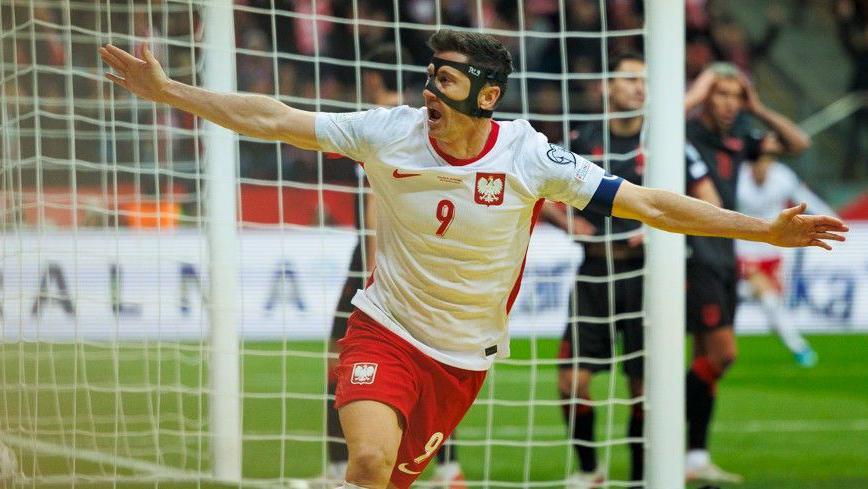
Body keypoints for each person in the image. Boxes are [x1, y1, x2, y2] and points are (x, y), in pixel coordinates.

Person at [99, 30, 847, 489]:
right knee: (363, 465)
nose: (428, 90)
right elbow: (275, 119)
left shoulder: (529, 154)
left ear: (486, 95)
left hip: (462, 357)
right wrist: (173, 93)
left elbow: (652, 203)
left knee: (388, 479)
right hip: (383, 326)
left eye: (445, 80)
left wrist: (761, 229)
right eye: (429, 77)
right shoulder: (388, 129)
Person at [321, 45, 466, 488]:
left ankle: (336, 468)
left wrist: (372, 269)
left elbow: (373, 203)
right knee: (437, 359)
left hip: (382, 253)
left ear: (368, 79)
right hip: (426, 247)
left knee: (342, 361)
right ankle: (447, 467)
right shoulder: (424, 121)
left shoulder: (382, 125)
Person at [682, 62, 813, 484]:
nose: (728, 104)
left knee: (706, 359)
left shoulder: (740, 138)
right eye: (720, 94)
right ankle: (670, 436)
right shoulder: (684, 133)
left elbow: (798, 142)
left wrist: (758, 107)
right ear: (705, 97)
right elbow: (657, 125)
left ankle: (694, 455)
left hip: (724, 255)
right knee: (723, 355)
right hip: (693, 253)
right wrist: (698, 90)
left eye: (735, 96)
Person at [547, 52, 646, 488]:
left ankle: (647, 478)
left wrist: (658, 232)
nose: (639, 88)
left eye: (645, 81)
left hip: (646, 276)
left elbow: (699, 197)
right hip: (593, 273)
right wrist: (569, 221)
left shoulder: (662, 141)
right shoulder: (584, 138)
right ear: (608, 86)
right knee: (570, 381)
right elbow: (545, 189)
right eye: (630, 79)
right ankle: (589, 474)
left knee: (645, 386)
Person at [736, 132, 838, 368]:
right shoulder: (737, 178)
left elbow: (806, 200)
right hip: (740, 253)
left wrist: (832, 219)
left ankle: (797, 348)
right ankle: (800, 349)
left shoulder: (782, 177)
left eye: (768, 160)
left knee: (770, 304)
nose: (763, 165)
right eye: (759, 160)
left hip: (772, 254)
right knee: (768, 298)